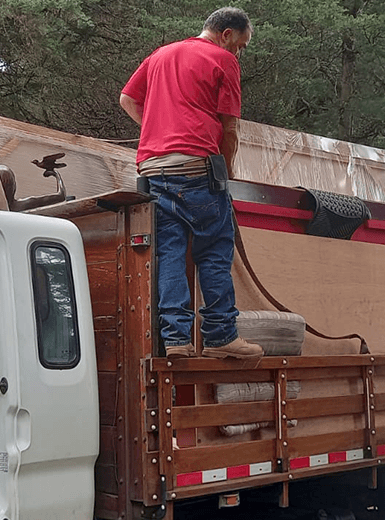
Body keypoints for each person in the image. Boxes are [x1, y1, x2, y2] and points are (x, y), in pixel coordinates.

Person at [119, 7, 263, 359]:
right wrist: (226, 170)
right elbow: (229, 128)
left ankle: (176, 340)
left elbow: (127, 99)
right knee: (214, 250)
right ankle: (220, 337)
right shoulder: (222, 60)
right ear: (226, 34)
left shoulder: (161, 54)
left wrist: (157, 131)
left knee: (169, 252)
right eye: (240, 45)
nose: (238, 53)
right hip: (196, 169)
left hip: (153, 170)